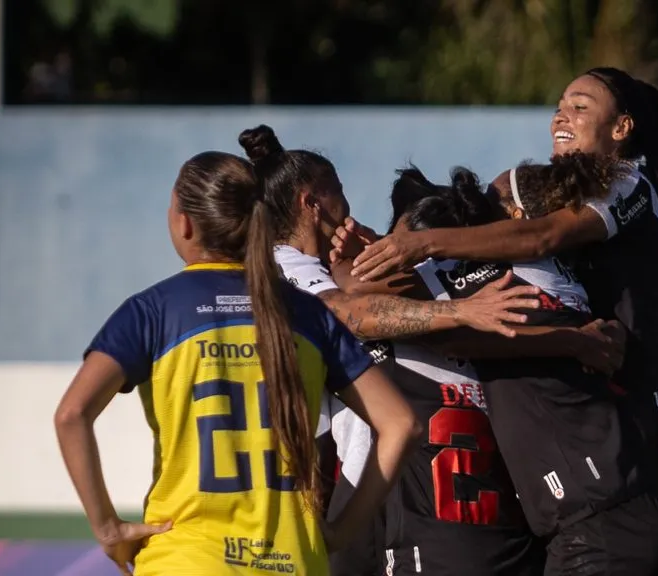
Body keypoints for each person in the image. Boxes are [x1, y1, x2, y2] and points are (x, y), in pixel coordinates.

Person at [343, 67, 658, 576]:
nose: (562, 115)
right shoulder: (536, 266)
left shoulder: (624, 183)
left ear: (622, 128)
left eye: (580, 106)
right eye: (560, 105)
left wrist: (420, 244)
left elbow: (539, 239)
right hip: (618, 432)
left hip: (652, 415)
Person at [53, 149, 422, 575]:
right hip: (294, 561)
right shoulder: (307, 314)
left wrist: (109, 529)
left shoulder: (153, 310)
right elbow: (401, 424)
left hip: (186, 561)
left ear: (184, 222)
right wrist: (342, 529)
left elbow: (71, 415)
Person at [233, 124, 548, 576]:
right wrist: (463, 310)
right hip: (327, 489)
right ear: (312, 202)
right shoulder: (287, 270)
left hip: (363, 488)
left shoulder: (309, 272)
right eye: (339, 190)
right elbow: (348, 314)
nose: (348, 204)